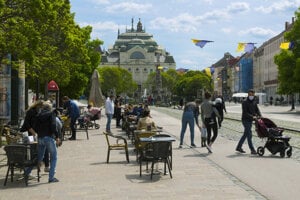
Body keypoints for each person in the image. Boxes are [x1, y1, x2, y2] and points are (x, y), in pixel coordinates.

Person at [25, 101, 61, 183]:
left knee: (39, 158)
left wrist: (38, 133)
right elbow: (53, 125)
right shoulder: (51, 114)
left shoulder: (38, 115)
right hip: (49, 137)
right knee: (54, 157)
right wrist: (57, 137)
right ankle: (51, 178)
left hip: (40, 138)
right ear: (50, 108)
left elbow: (34, 127)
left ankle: (27, 172)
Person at [236, 89, 261, 154]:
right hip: (245, 120)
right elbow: (245, 112)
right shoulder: (244, 102)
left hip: (251, 120)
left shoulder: (254, 101)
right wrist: (252, 116)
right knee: (249, 134)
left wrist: (260, 115)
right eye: (250, 94)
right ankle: (252, 149)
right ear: (248, 94)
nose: (251, 96)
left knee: (246, 134)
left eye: (252, 94)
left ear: (254, 94)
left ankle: (239, 147)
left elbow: (257, 110)